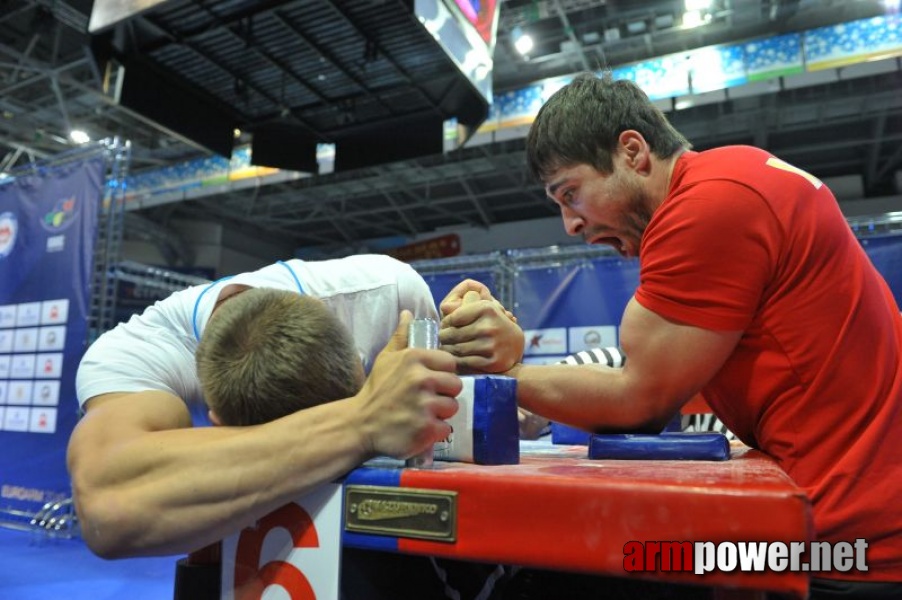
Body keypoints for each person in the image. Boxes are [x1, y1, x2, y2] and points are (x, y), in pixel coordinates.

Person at [449, 72, 902, 597]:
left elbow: (639, 400)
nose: (569, 224)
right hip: (852, 527)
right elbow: (632, 374)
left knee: (587, 572)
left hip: (844, 549)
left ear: (634, 153)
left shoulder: (709, 204)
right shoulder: (737, 175)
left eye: (571, 194)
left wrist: (507, 371)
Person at [67, 254, 522, 563]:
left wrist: (505, 352)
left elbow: (476, 416)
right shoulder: (135, 351)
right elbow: (109, 505)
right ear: (219, 422)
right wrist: (363, 419)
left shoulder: (386, 293)